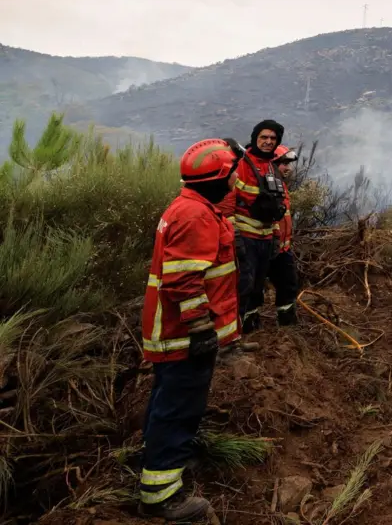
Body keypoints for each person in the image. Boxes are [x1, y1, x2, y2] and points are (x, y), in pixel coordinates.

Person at [138, 138, 242, 521]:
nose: (236, 179)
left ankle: (158, 457)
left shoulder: (193, 205)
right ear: (218, 178)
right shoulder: (195, 216)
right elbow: (183, 280)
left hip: (172, 331)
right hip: (183, 334)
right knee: (179, 406)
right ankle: (161, 495)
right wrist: (201, 328)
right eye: (231, 173)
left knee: (167, 399)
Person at [232, 119, 289, 335]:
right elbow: (229, 199)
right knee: (243, 286)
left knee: (257, 285)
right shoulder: (242, 164)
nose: (268, 141)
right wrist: (233, 234)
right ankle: (233, 333)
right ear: (255, 137)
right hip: (245, 236)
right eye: (264, 137)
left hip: (265, 237)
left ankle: (250, 326)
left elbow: (276, 205)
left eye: (273, 139)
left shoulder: (272, 166)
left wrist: (275, 233)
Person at [269, 144, 301, 325]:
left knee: (289, 285)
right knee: (253, 289)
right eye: (283, 164)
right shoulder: (266, 185)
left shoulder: (281, 186)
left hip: (282, 249)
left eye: (289, 164)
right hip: (266, 247)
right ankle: (251, 329)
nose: (288, 168)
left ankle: (288, 325)